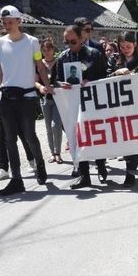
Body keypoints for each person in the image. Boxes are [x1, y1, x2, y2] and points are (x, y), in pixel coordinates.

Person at [0, 5, 52, 196]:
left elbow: (39, 66)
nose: (7, 25)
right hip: (7, 96)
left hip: (27, 96)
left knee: (29, 136)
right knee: (9, 139)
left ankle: (40, 164)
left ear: (19, 21)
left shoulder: (32, 42)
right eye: (4, 22)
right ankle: (16, 179)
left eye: (10, 22)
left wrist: (47, 85)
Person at [51, 24, 107, 189]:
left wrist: (90, 82)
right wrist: (61, 83)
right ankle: (84, 175)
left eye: (73, 41)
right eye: (66, 42)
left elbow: (105, 76)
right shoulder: (62, 58)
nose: (69, 45)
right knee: (78, 137)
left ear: (81, 39)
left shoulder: (94, 54)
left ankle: (101, 164)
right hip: (73, 105)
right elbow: (54, 79)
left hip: (92, 103)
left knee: (96, 135)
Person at [106, 32, 138, 187]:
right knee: (123, 138)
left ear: (135, 45)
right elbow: (104, 79)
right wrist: (116, 72)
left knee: (135, 138)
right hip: (119, 105)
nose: (125, 49)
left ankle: (130, 172)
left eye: (129, 46)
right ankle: (128, 163)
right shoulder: (114, 59)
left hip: (137, 106)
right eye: (122, 46)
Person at [0, 61, 36, 182]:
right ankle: (4, 169)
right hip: (3, 102)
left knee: (23, 132)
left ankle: (33, 160)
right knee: (2, 136)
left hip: (20, 99)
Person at [35, 37, 63, 164]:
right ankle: (52, 153)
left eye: (49, 49)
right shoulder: (39, 64)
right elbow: (34, 80)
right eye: (44, 50)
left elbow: (64, 79)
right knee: (48, 127)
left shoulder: (59, 63)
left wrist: (55, 85)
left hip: (58, 97)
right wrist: (40, 87)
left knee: (56, 125)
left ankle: (58, 153)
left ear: (53, 50)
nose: (46, 52)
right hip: (45, 98)